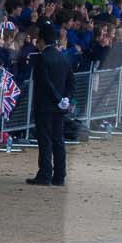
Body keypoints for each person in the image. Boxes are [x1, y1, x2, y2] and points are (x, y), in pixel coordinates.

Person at [25, 21, 73, 187]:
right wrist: (65, 98)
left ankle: (45, 173)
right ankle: (60, 174)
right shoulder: (64, 58)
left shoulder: (42, 58)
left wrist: (58, 98)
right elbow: (70, 82)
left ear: (43, 40)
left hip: (45, 105)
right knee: (58, 140)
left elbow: (44, 83)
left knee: (45, 140)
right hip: (59, 106)